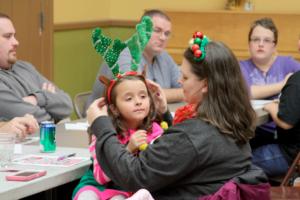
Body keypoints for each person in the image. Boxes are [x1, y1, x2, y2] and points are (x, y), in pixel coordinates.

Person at [86, 32, 270, 199]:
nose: (179, 81)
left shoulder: (192, 135)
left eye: (186, 77)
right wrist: (165, 115)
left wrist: (102, 125)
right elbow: (185, 157)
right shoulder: (232, 121)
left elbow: (134, 174)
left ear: (205, 85)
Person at [73, 75, 165, 200]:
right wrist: (128, 149)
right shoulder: (102, 131)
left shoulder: (155, 131)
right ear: (114, 108)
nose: (138, 101)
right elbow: (100, 177)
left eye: (143, 96)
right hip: (96, 184)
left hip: (125, 188)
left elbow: (155, 170)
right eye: (129, 98)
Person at [86, 9, 183, 113]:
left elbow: (185, 87)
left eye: (167, 33)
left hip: (146, 118)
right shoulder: (122, 53)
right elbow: (140, 97)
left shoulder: (164, 56)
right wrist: (177, 93)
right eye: (157, 30)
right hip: (106, 119)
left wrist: (162, 94)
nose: (163, 37)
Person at [0, 13, 73, 123]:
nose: (16, 42)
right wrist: (53, 107)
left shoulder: (25, 67)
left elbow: (67, 105)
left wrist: (36, 98)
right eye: (8, 36)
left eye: (15, 36)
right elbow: (38, 120)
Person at [240, 17, 300, 148]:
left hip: (285, 133)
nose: (261, 44)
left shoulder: (288, 63)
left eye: (267, 40)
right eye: (256, 39)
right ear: (249, 44)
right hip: (253, 131)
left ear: (274, 45)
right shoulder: (240, 66)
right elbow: (246, 92)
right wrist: (282, 85)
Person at [261, 71, 300, 177]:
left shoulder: (297, 80)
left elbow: (286, 122)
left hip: (291, 156)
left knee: (237, 163)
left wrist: (271, 107)